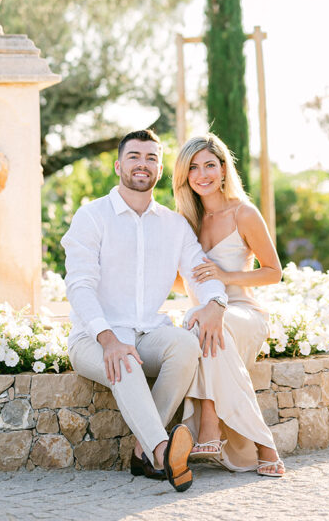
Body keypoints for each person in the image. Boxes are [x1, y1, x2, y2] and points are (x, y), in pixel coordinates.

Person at [62, 128, 230, 492]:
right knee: (123, 359)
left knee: (185, 345)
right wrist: (108, 340)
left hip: (147, 332)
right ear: (119, 165)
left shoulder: (173, 224)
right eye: (135, 157)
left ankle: (141, 449)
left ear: (160, 168)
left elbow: (200, 271)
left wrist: (216, 302)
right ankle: (162, 450)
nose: (143, 164)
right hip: (94, 338)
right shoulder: (92, 216)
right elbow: (79, 284)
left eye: (151, 158)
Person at [172, 133, 286, 477]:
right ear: (184, 175)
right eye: (193, 167)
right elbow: (183, 280)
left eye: (209, 165)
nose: (202, 174)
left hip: (243, 313)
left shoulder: (243, 213)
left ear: (223, 169)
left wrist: (225, 276)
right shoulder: (185, 221)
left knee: (205, 322)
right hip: (205, 315)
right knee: (198, 320)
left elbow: (274, 272)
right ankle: (265, 447)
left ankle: (209, 423)